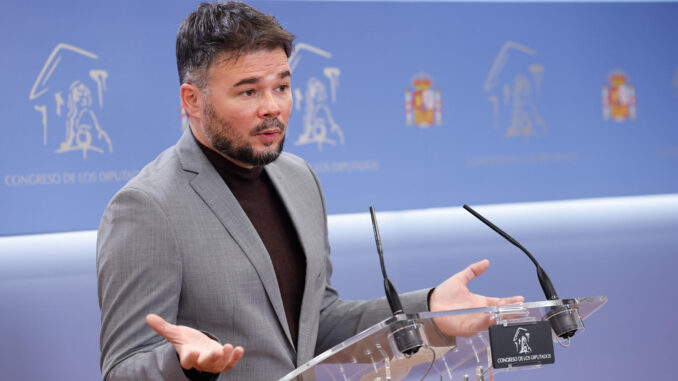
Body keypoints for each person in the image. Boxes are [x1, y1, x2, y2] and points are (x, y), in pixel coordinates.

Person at [96, 2, 522, 380]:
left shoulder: (299, 177)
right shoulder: (146, 207)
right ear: (192, 100)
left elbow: (316, 324)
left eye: (281, 86)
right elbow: (122, 368)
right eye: (248, 91)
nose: (273, 107)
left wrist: (430, 309)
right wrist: (182, 364)